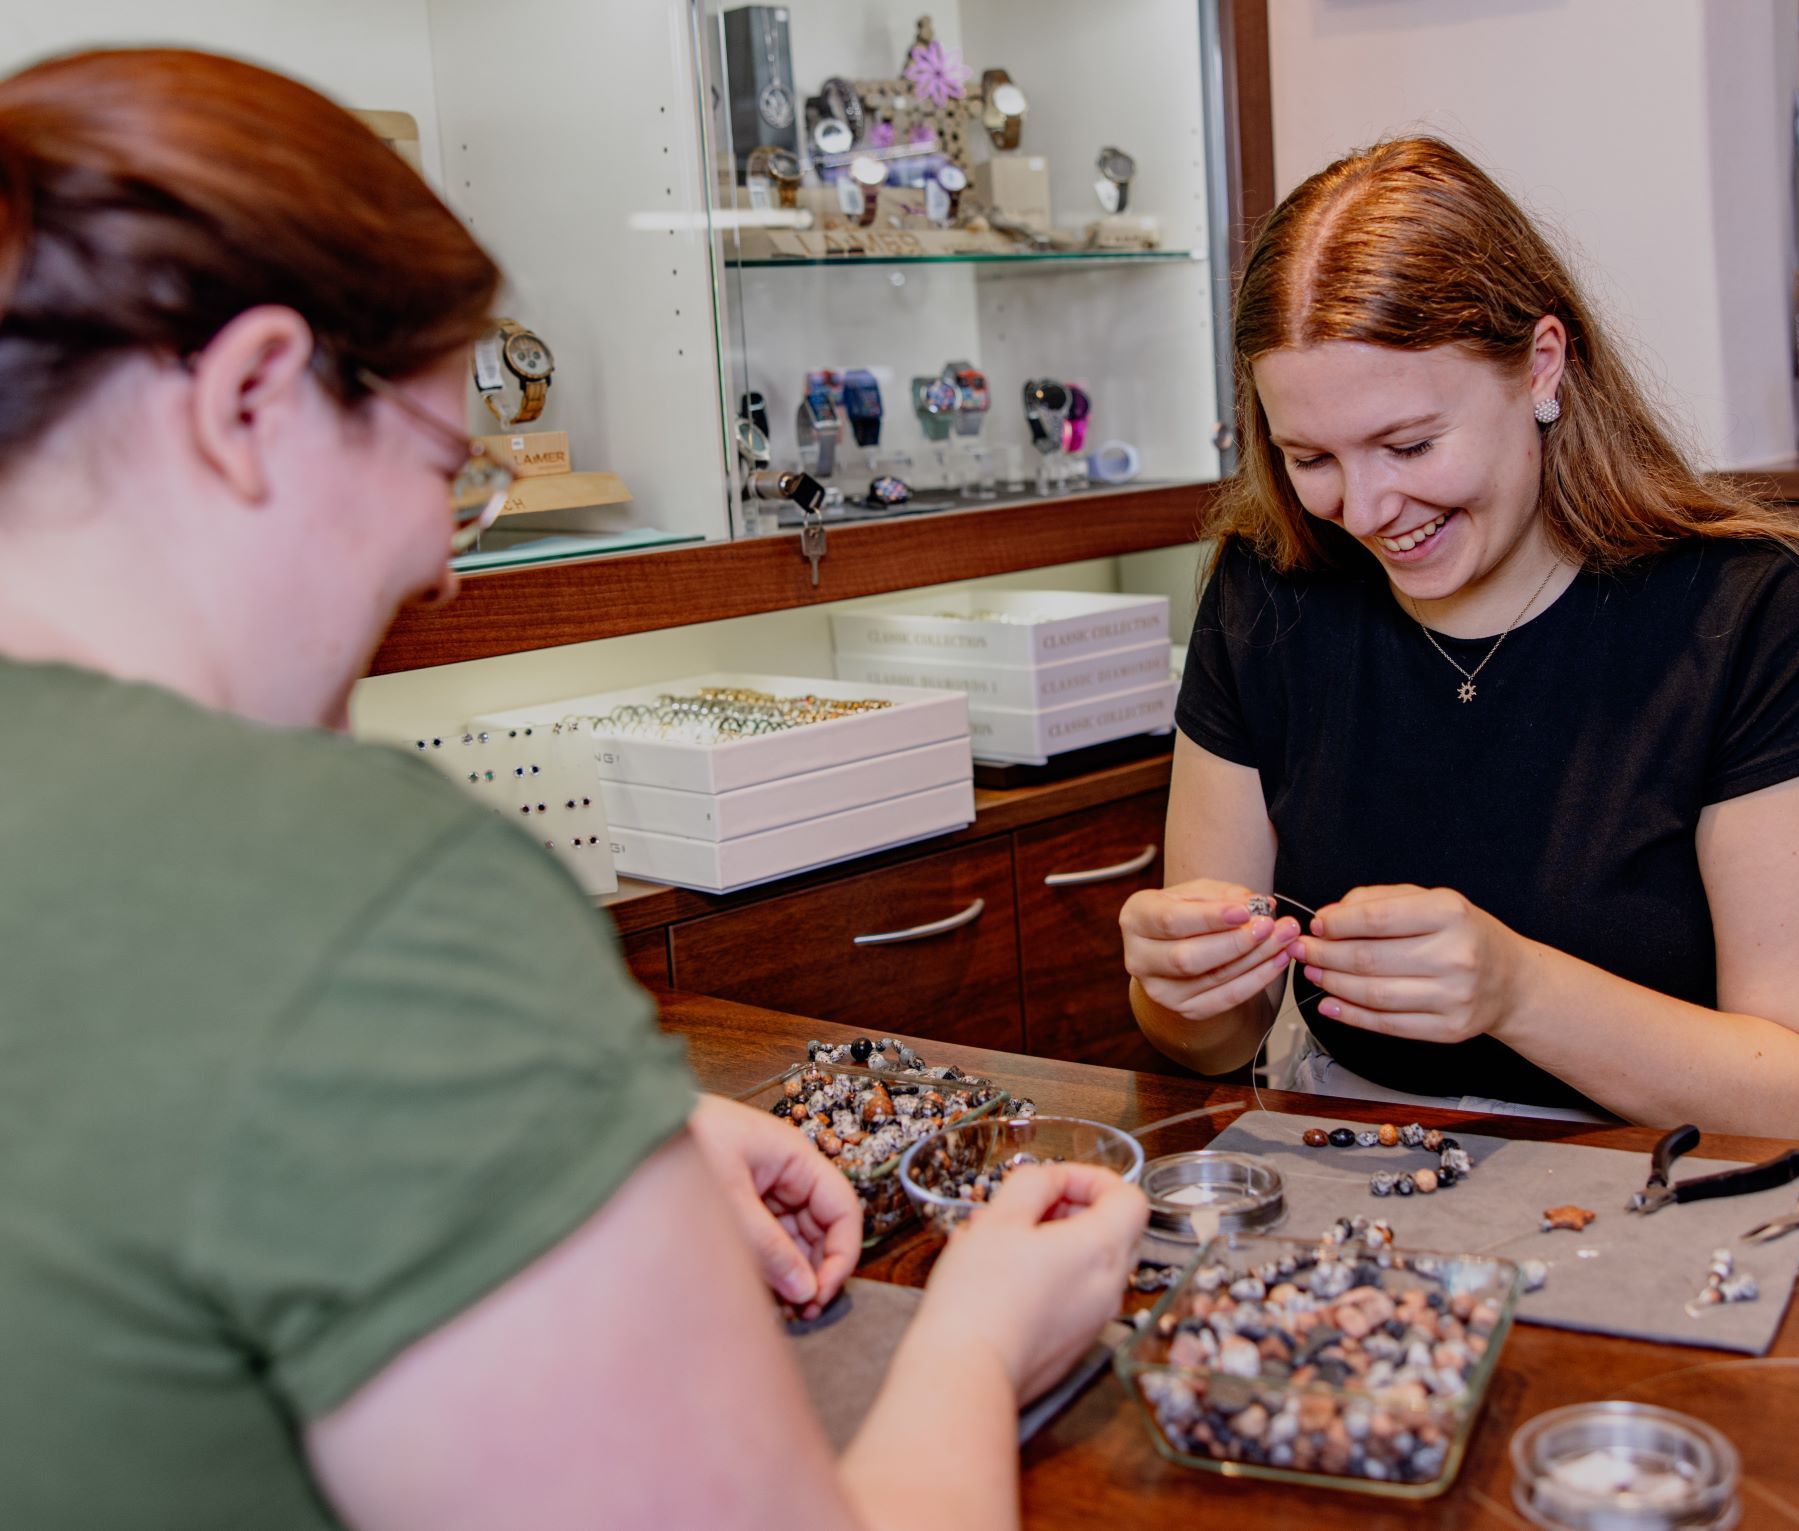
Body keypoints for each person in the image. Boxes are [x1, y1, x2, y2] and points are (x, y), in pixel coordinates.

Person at [0, 48, 1145, 1531]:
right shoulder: (363, 891)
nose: (447, 559)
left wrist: (570, 1152)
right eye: (442, 471)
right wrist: (979, 1338)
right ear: (253, 399)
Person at [1121, 137, 1799, 1143]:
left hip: (1673, 1182)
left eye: (1409, 445)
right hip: (1360, 1167)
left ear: (1543, 366)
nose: (1363, 509)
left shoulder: (1756, 617)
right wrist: (1180, 987)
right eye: (1309, 455)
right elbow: (1206, 1045)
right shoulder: (1270, 589)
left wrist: (1517, 991)